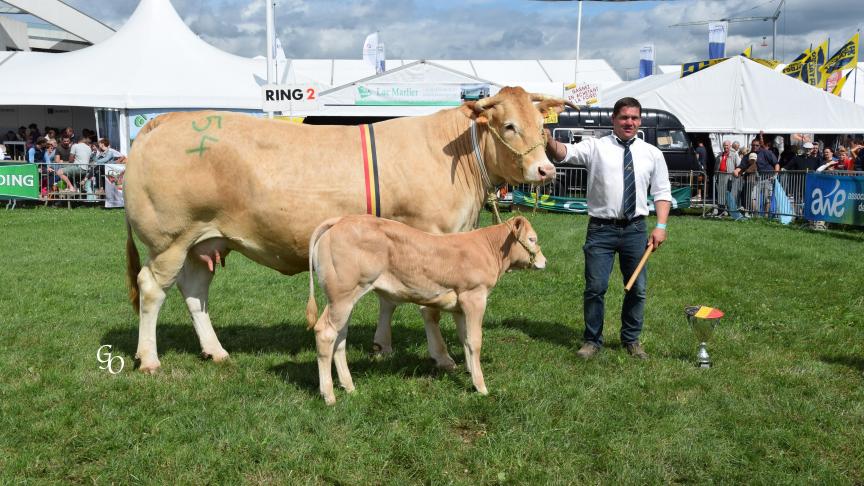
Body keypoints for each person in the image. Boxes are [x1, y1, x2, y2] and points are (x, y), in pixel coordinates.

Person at [545, 97, 671, 360]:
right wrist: (546, 138)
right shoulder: (596, 147)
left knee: (637, 289)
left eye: (634, 118)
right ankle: (592, 341)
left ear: (640, 121)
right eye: (624, 117)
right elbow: (563, 153)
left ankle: (631, 340)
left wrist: (660, 226)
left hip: (636, 230)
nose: (629, 122)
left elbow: (662, 192)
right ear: (613, 119)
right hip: (601, 230)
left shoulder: (652, 153)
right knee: (595, 288)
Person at [714, 140, 740, 217]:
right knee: (721, 194)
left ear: (730, 146)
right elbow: (716, 166)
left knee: (730, 194)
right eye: (724, 145)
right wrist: (716, 174)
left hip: (730, 177)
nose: (726, 147)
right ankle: (721, 211)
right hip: (721, 177)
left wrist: (736, 173)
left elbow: (738, 165)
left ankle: (730, 211)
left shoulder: (734, 155)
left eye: (727, 145)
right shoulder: (720, 155)